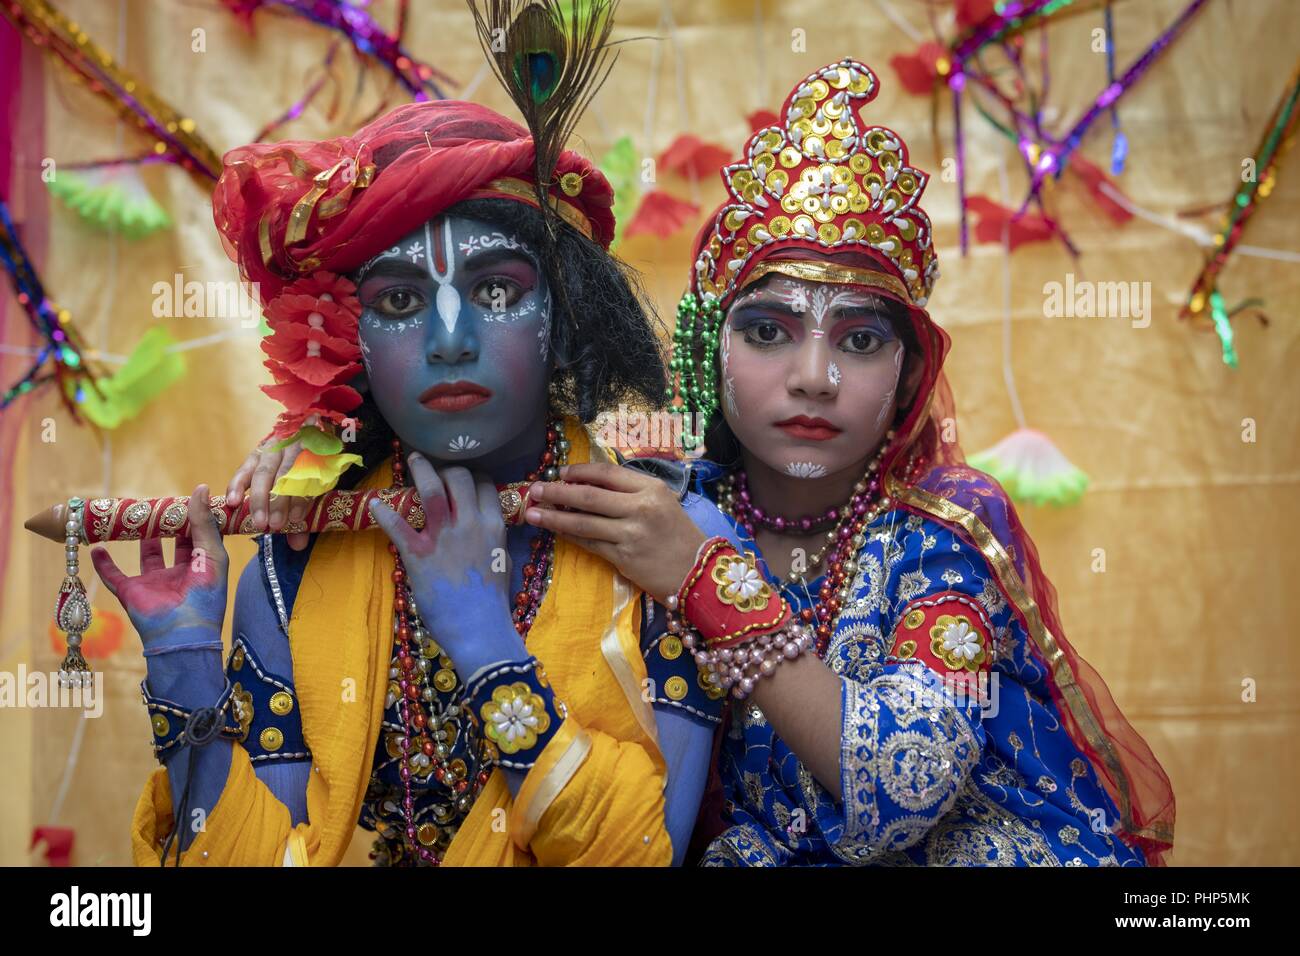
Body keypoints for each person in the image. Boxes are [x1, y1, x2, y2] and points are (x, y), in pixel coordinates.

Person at [516, 57, 1177, 865]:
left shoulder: (945, 527)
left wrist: (704, 580)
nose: (813, 377)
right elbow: (517, 484)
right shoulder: (678, 497)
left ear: (907, 380)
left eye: (860, 341)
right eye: (767, 331)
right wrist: (328, 502)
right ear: (707, 348)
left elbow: (902, 789)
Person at [93, 73, 747, 865]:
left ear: (570, 320)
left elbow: (641, 855)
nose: (449, 339)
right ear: (345, 345)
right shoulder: (294, 565)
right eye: (400, 302)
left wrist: (481, 639)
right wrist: (185, 665)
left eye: (497, 288)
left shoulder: (673, 543)